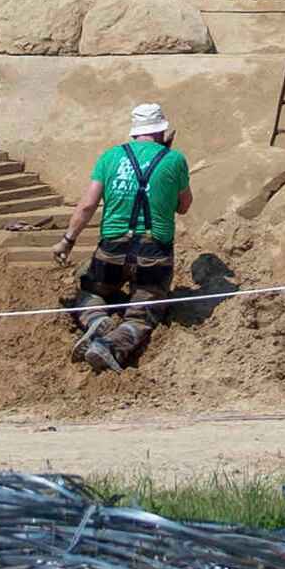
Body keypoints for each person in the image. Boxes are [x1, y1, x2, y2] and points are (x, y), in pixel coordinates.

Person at [56, 103, 188, 370]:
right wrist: (165, 163)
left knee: (89, 290)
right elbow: (183, 206)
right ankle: (110, 346)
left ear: (134, 133)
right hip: (154, 252)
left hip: (112, 248)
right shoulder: (174, 160)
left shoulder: (110, 157)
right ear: (162, 131)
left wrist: (68, 240)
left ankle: (94, 319)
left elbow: (87, 205)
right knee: (143, 314)